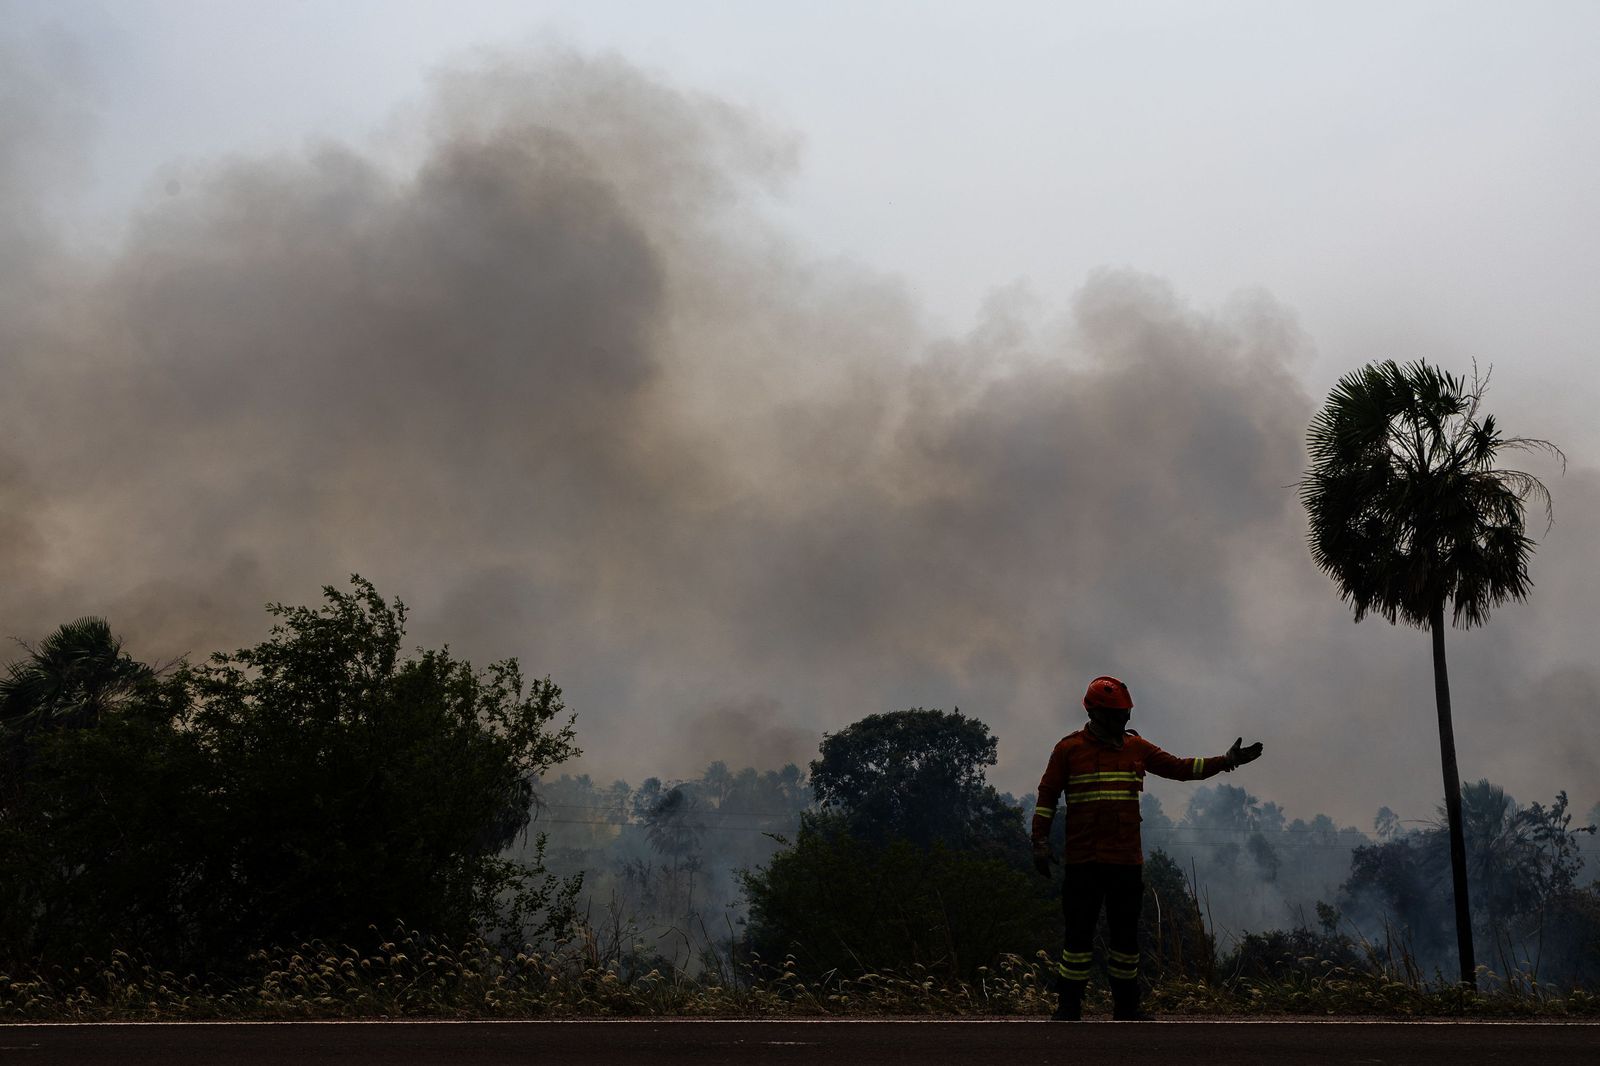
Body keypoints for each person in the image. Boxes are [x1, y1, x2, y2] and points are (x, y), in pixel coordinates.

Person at [1032, 675, 1263, 1021]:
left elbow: (1182, 768)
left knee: (1126, 940)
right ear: (1095, 713)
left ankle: (1126, 1007)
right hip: (1083, 862)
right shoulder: (1068, 750)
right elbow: (1047, 796)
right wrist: (1039, 841)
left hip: (1125, 862)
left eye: (1126, 715)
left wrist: (1225, 761)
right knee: (1077, 939)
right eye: (1116, 716)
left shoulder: (1136, 748)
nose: (1123, 722)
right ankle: (1068, 1006)